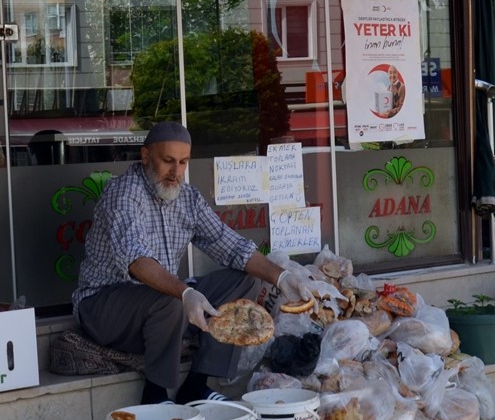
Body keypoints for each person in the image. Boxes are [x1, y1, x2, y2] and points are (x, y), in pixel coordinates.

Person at [73, 121, 327, 405]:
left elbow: (233, 247)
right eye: (168, 161)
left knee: (245, 280)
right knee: (169, 298)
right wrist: (184, 293)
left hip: (162, 314)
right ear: (146, 156)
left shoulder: (188, 197)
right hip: (103, 309)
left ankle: (196, 385)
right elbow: (137, 261)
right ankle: (155, 394)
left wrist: (282, 278)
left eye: (183, 162)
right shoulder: (124, 194)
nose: (176, 172)